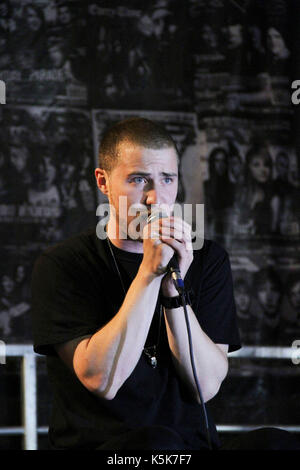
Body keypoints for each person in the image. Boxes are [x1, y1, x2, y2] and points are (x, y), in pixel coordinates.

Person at [30, 117, 299, 451]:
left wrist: (174, 292)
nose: (155, 198)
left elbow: (206, 385)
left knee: (277, 443)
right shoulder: (63, 264)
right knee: (158, 445)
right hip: (110, 447)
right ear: (103, 182)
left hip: (193, 445)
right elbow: (102, 380)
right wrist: (148, 274)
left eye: (167, 178)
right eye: (139, 179)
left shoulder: (208, 259)